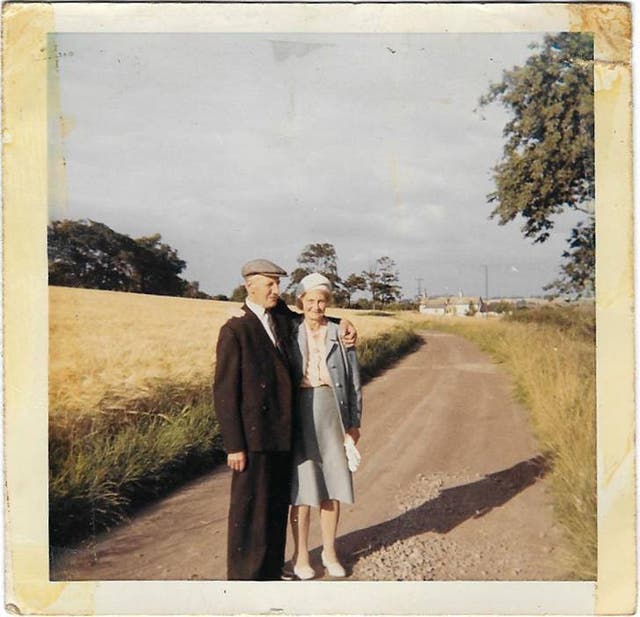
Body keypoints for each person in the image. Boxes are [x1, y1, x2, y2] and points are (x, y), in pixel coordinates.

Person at [214, 260, 357, 581]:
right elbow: (224, 392)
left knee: (276, 503)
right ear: (250, 286)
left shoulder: (278, 316)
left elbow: (311, 317)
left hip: (280, 431)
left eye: (278, 284)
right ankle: (244, 577)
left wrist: (343, 322)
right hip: (252, 437)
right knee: (249, 508)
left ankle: (270, 569)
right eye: (270, 285)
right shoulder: (235, 328)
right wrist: (233, 444)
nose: (277, 291)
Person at [289, 273, 362, 580]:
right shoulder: (290, 331)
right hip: (300, 412)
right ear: (300, 302)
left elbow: (355, 381)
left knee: (332, 484)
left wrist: (355, 423)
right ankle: (301, 556)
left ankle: (330, 552)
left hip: (333, 411)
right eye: (310, 300)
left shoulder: (339, 333)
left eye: (322, 301)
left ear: (327, 303)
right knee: (303, 487)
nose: (316, 307)